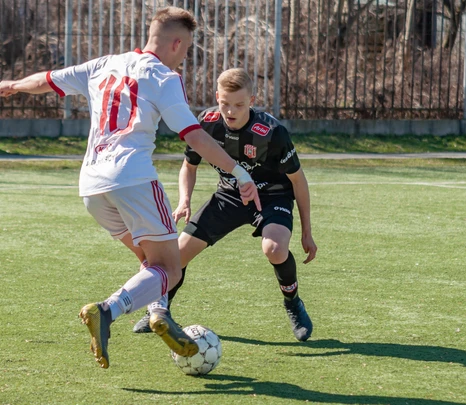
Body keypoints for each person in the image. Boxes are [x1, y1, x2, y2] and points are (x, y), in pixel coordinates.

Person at [0, 8, 261, 368]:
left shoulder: (102, 64)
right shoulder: (164, 77)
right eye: (185, 49)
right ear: (175, 42)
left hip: (91, 186)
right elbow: (195, 136)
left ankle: (159, 314)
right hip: (132, 179)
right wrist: (239, 172)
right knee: (170, 269)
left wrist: (12, 86)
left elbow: (46, 80)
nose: (183, 57)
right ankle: (106, 310)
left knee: (148, 262)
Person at [133, 68, 317, 341]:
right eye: (225, 103)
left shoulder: (272, 132)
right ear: (217, 97)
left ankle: (293, 302)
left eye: (240, 105)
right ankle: (160, 312)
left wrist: (306, 232)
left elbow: (298, 182)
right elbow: (189, 166)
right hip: (228, 196)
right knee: (176, 255)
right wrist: (185, 199)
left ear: (252, 100)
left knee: (275, 249)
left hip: (272, 197)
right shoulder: (206, 123)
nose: (231, 111)